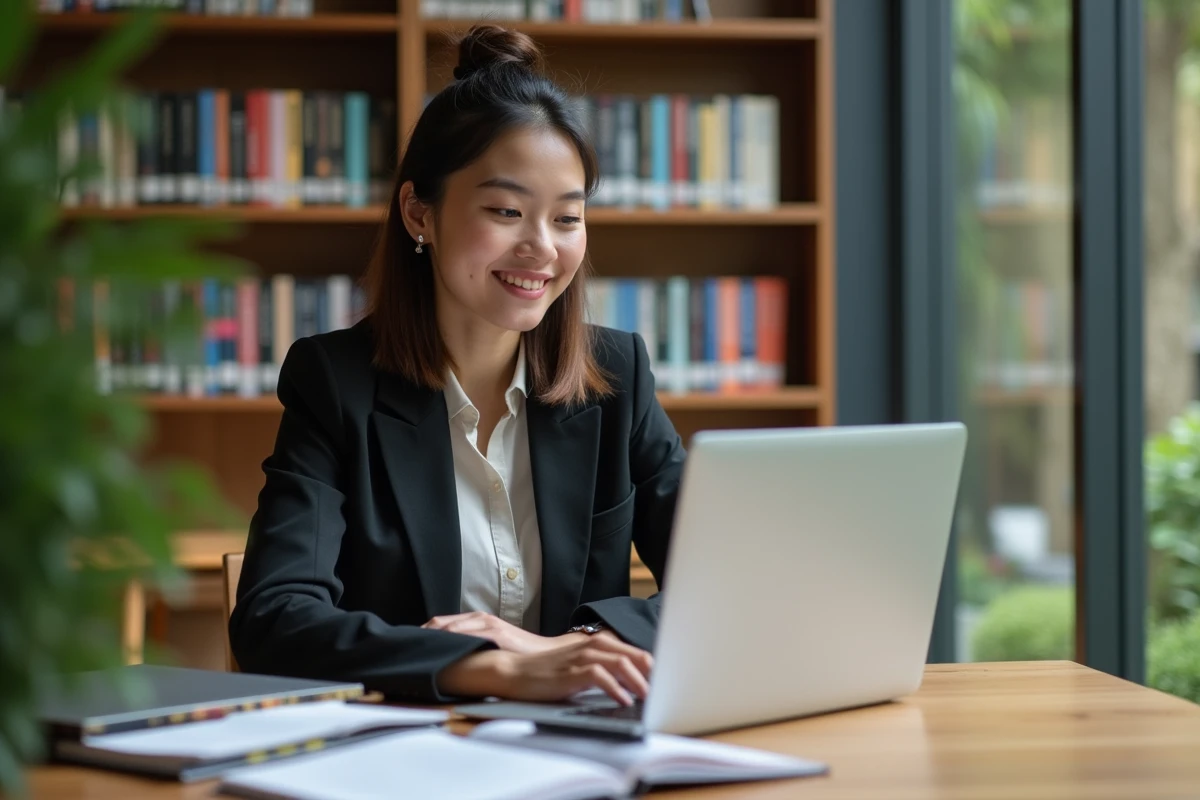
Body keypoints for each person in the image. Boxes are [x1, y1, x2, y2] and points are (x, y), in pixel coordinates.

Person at [229, 23, 686, 707]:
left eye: (567, 219)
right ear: (420, 213)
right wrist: (488, 666)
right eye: (506, 210)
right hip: (417, 754)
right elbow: (275, 618)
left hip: (587, 747)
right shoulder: (335, 384)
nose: (541, 247)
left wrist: (570, 644)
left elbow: (736, 586)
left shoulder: (616, 376)